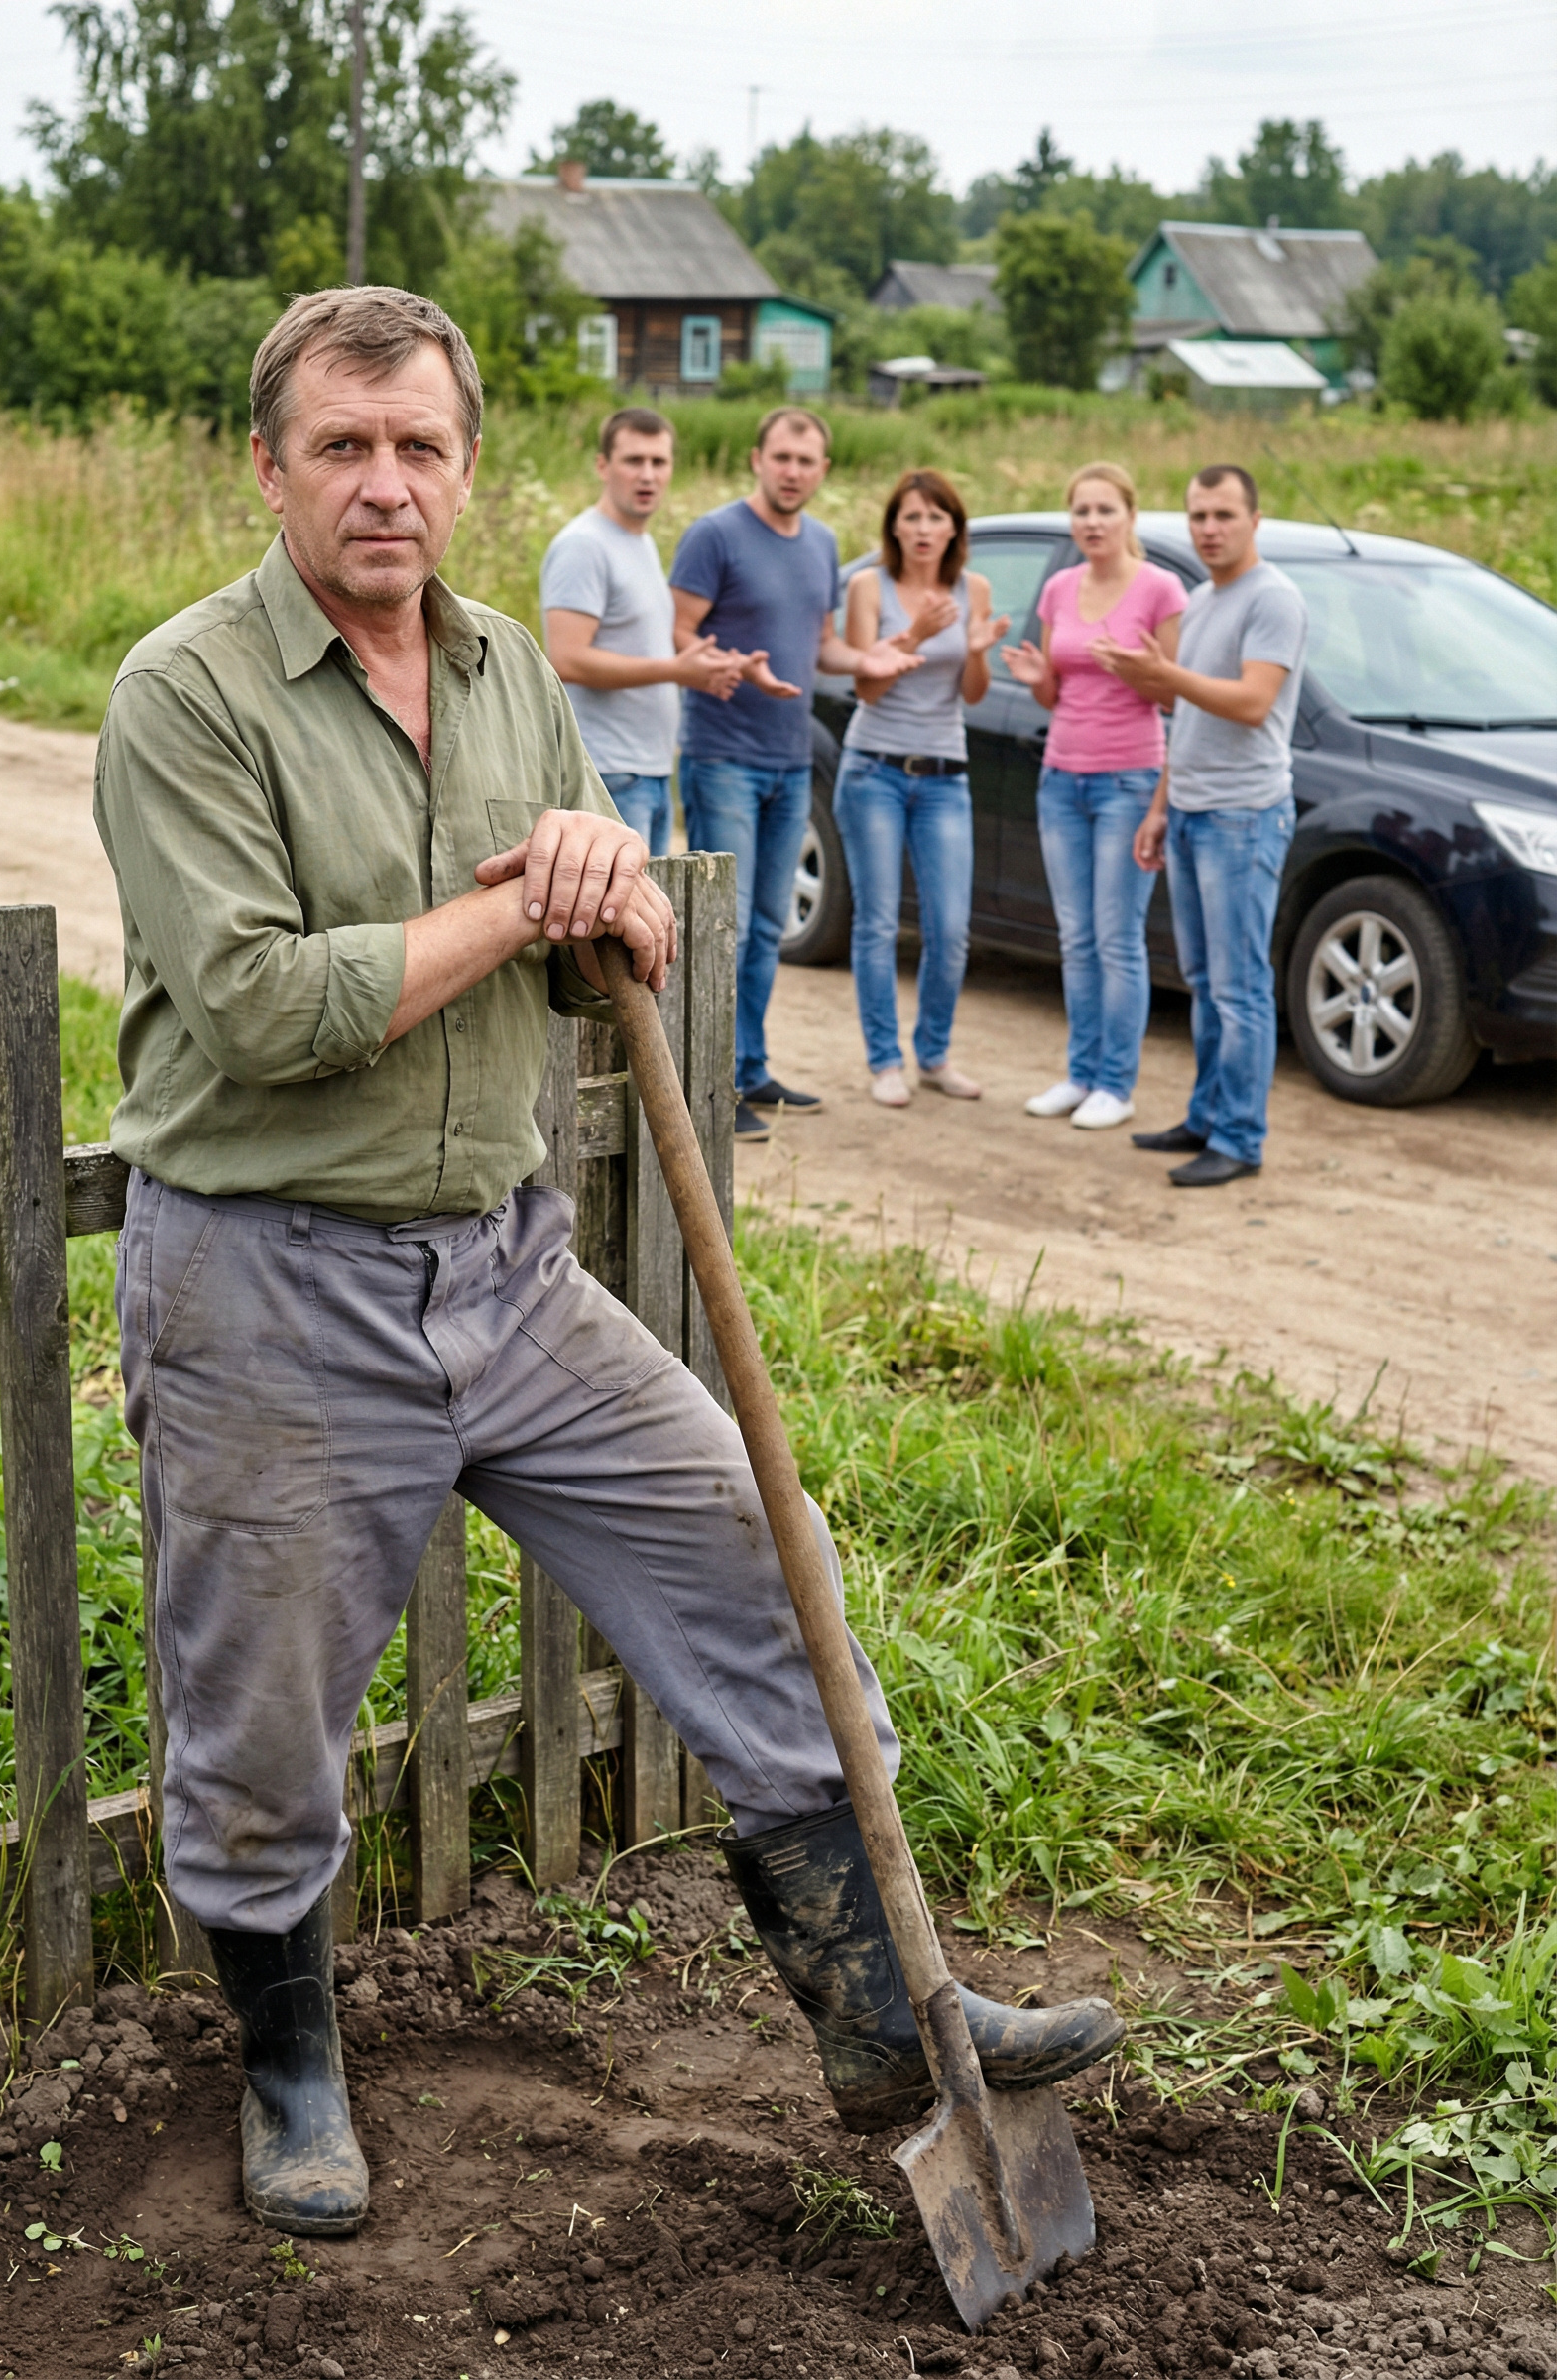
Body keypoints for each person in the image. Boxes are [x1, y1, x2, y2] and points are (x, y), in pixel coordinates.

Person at [92, 287, 1122, 2240]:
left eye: (418, 448)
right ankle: (292, 2073)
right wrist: (520, 906)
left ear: (467, 470)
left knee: (755, 1558)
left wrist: (621, 901)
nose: (383, 485)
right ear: (269, 466)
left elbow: (594, 913)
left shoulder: (502, 676)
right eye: (341, 447)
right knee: (261, 1722)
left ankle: (879, 2016)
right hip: (272, 1289)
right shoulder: (187, 692)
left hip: (509, 1275)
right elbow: (252, 1008)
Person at [671, 407, 921, 1139]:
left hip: (791, 762)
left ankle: (748, 1067)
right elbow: (679, 634)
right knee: (725, 927)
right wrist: (731, 668)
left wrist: (867, 660)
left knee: (767, 926)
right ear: (756, 458)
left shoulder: (822, 542)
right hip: (724, 757)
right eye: (781, 457)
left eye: (807, 462)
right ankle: (707, 1084)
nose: (793, 471)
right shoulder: (714, 535)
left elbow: (821, 646)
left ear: (824, 472)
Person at [1096, 463, 1309, 1187]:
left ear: (1256, 520)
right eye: (1197, 516)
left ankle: (1241, 1139)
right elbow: (1186, 718)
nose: (1209, 529)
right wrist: (1162, 806)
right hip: (1190, 811)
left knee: (1240, 984)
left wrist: (1160, 679)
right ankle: (1207, 1116)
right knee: (1202, 978)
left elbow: (1251, 702)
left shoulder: (1274, 599)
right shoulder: (1202, 597)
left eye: (1223, 515)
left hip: (1243, 817)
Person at [1002, 462, 1187, 1131]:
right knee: (1076, 937)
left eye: (1106, 509)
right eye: (1082, 510)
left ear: (1130, 516)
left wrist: (1143, 673)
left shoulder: (1161, 590)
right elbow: (1057, 690)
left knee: (1118, 938)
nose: (1093, 522)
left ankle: (1118, 1083)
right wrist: (1033, 679)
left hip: (1129, 782)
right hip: (1061, 779)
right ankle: (1080, 1076)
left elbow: (1175, 695)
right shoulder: (1059, 588)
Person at [833, 470, 1008, 1107]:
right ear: (894, 527)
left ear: (955, 527)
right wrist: (916, 634)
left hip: (944, 777)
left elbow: (972, 694)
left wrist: (979, 650)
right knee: (878, 923)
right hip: (874, 769)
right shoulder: (868, 586)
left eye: (937, 517)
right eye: (912, 517)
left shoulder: (973, 589)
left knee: (950, 927)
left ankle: (933, 1055)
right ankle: (885, 1060)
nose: (924, 529)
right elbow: (867, 685)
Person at [539, 407, 748, 856]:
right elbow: (567, 658)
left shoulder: (640, 540)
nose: (647, 475)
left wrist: (716, 665)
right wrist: (675, 671)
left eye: (659, 462)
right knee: (615, 924)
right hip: (610, 774)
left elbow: (645, 642)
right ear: (602, 466)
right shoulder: (584, 545)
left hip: (649, 771)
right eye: (633, 461)